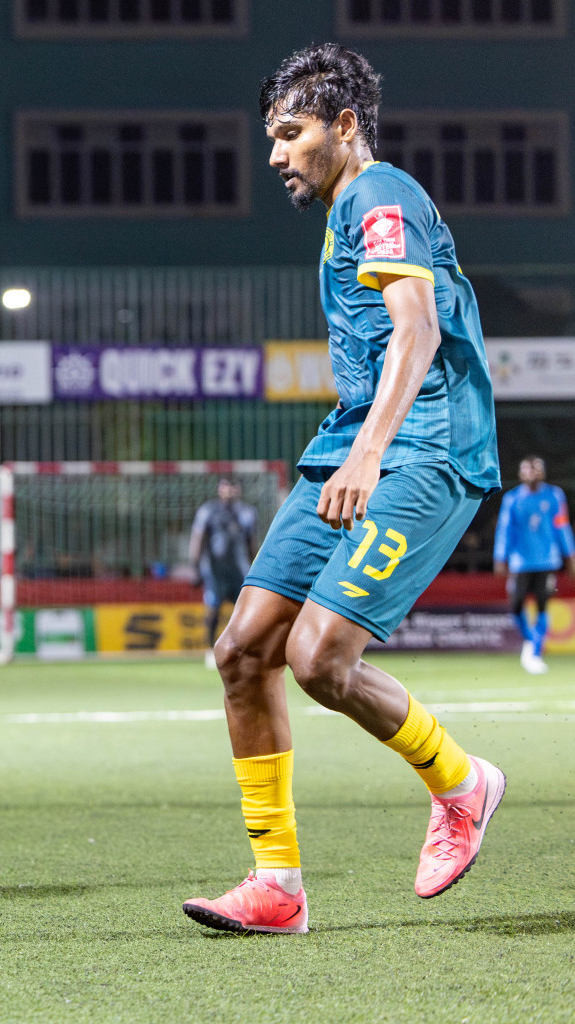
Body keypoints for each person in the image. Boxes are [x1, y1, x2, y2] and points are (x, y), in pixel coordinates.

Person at [181, 45, 504, 936]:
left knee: (320, 658)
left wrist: (371, 453)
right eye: (271, 136)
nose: (276, 153)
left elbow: (417, 327)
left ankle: (464, 784)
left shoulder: (379, 192)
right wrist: (352, 448)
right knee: (243, 650)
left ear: (345, 126)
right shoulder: (343, 213)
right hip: (351, 444)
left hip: (425, 450)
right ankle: (276, 884)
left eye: (291, 133)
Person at [493, 456, 575, 674]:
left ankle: (535, 652)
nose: (532, 472)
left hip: (547, 560)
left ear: (542, 472)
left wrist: (570, 556)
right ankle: (530, 641)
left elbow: (562, 526)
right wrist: (501, 556)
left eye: (536, 468)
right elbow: (505, 529)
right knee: (516, 605)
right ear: (521, 473)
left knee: (542, 605)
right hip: (521, 562)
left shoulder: (554, 495)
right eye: (527, 469)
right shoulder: (513, 499)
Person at [187, 479, 259, 670]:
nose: (229, 491)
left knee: (243, 613)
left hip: (240, 572)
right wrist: (195, 567)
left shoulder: (247, 513)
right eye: (225, 486)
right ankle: (211, 650)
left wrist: (256, 569)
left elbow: (252, 544)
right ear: (219, 489)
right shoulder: (208, 511)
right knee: (213, 611)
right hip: (215, 572)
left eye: (232, 486)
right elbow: (198, 539)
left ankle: (243, 649)